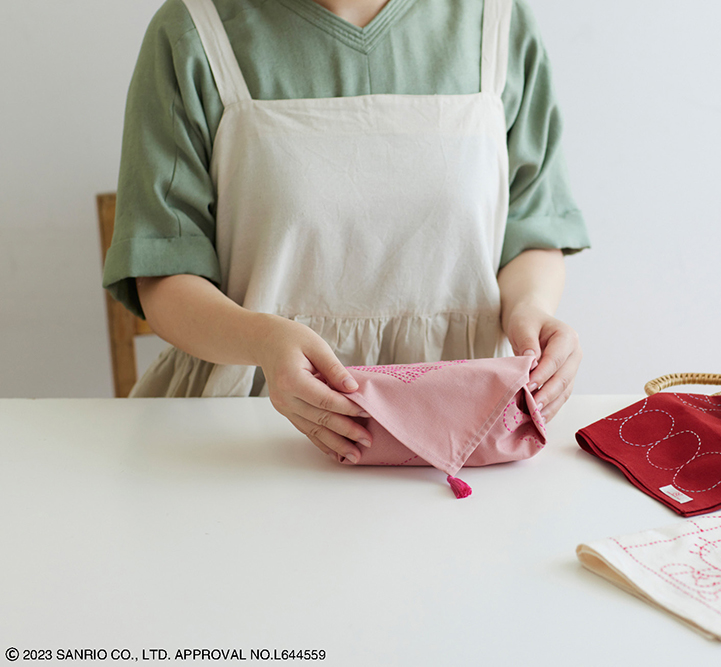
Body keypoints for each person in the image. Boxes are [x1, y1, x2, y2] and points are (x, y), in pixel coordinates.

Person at [102, 0, 590, 464]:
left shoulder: (497, 24)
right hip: (245, 426)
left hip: (463, 426)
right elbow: (163, 278)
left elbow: (530, 231)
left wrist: (530, 310)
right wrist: (265, 341)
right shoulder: (192, 31)